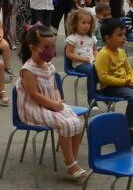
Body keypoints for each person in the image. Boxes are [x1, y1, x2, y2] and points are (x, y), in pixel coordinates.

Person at [15, 24, 88, 181]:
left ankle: (71, 159)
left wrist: (56, 99)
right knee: (66, 124)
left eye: (53, 46)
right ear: (33, 48)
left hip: (50, 105)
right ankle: (70, 163)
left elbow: (55, 87)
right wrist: (53, 105)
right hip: (33, 108)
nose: (51, 50)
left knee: (77, 122)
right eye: (46, 47)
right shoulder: (28, 69)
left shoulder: (49, 66)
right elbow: (34, 95)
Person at [95, 17, 133, 144]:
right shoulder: (103, 54)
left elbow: (129, 70)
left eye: (124, 34)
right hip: (110, 87)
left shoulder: (121, 52)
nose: (123, 38)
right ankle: (127, 129)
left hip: (125, 83)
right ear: (108, 38)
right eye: (119, 35)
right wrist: (124, 83)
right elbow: (103, 77)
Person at [65, 9, 98, 76]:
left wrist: (97, 58)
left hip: (92, 62)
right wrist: (82, 60)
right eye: (83, 23)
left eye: (89, 23)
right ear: (75, 24)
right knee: (92, 70)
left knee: (104, 68)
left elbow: (95, 50)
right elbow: (69, 54)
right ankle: (91, 87)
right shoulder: (72, 38)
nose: (87, 26)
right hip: (79, 64)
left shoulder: (92, 37)